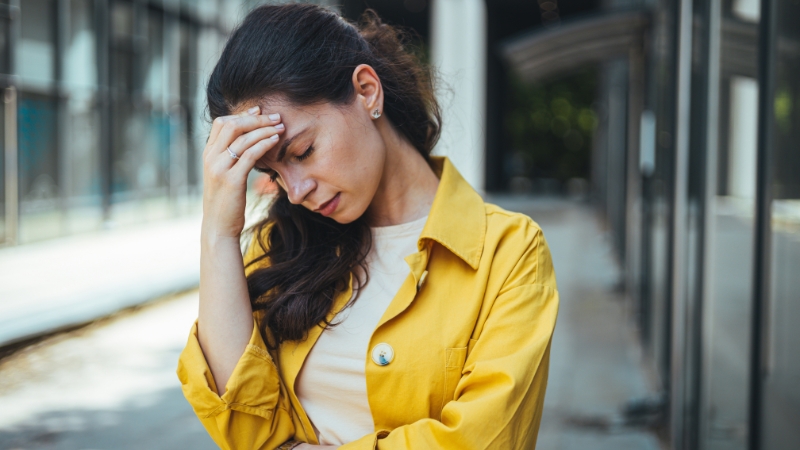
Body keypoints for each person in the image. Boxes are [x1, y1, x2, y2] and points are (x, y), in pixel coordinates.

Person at [176, 4, 559, 449]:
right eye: (275, 174)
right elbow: (244, 428)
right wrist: (218, 234)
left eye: (302, 152)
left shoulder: (508, 254)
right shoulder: (280, 246)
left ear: (366, 91)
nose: (295, 191)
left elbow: (481, 440)